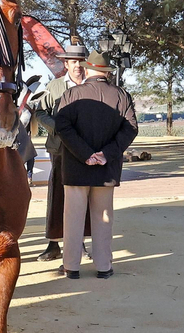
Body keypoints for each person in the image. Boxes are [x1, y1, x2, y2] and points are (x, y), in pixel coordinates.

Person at [53, 53, 138, 279]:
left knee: (72, 219)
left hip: (75, 168)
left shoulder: (72, 94)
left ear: (87, 69)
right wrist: (105, 154)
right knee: (103, 219)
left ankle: (71, 267)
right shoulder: (121, 95)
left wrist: (85, 154)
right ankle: (103, 267)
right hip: (106, 169)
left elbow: (61, 126)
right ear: (107, 72)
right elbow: (130, 128)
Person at [31, 38, 92, 261]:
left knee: (82, 197)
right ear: (66, 64)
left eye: (81, 61)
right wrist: (60, 129)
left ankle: (80, 243)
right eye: (73, 61)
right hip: (60, 150)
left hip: (85, 151)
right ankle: (53, 244)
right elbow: (40, 113)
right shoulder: (54, 86)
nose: (77, 65)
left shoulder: (91, 86)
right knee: (57, 197)